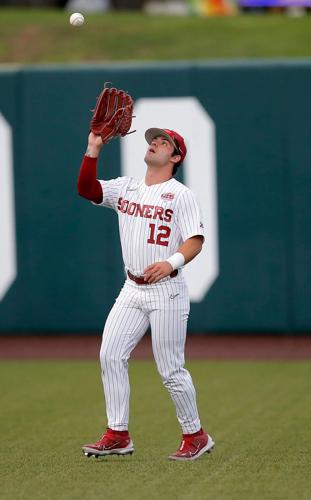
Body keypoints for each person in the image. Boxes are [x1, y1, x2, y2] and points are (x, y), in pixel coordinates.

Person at [77, 127, 215, 461]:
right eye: (152, 140)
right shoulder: (127, 187)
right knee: (110, 355)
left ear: (176, 156)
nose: (154, 144)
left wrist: (171, 263)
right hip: (131, 288)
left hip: (166, 291)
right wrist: (93, 148)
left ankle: (196, 435)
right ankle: (117, 434)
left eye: (163, 142)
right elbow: (87, 189)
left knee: (170, 369)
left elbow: (195, 239)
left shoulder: (180, 194)